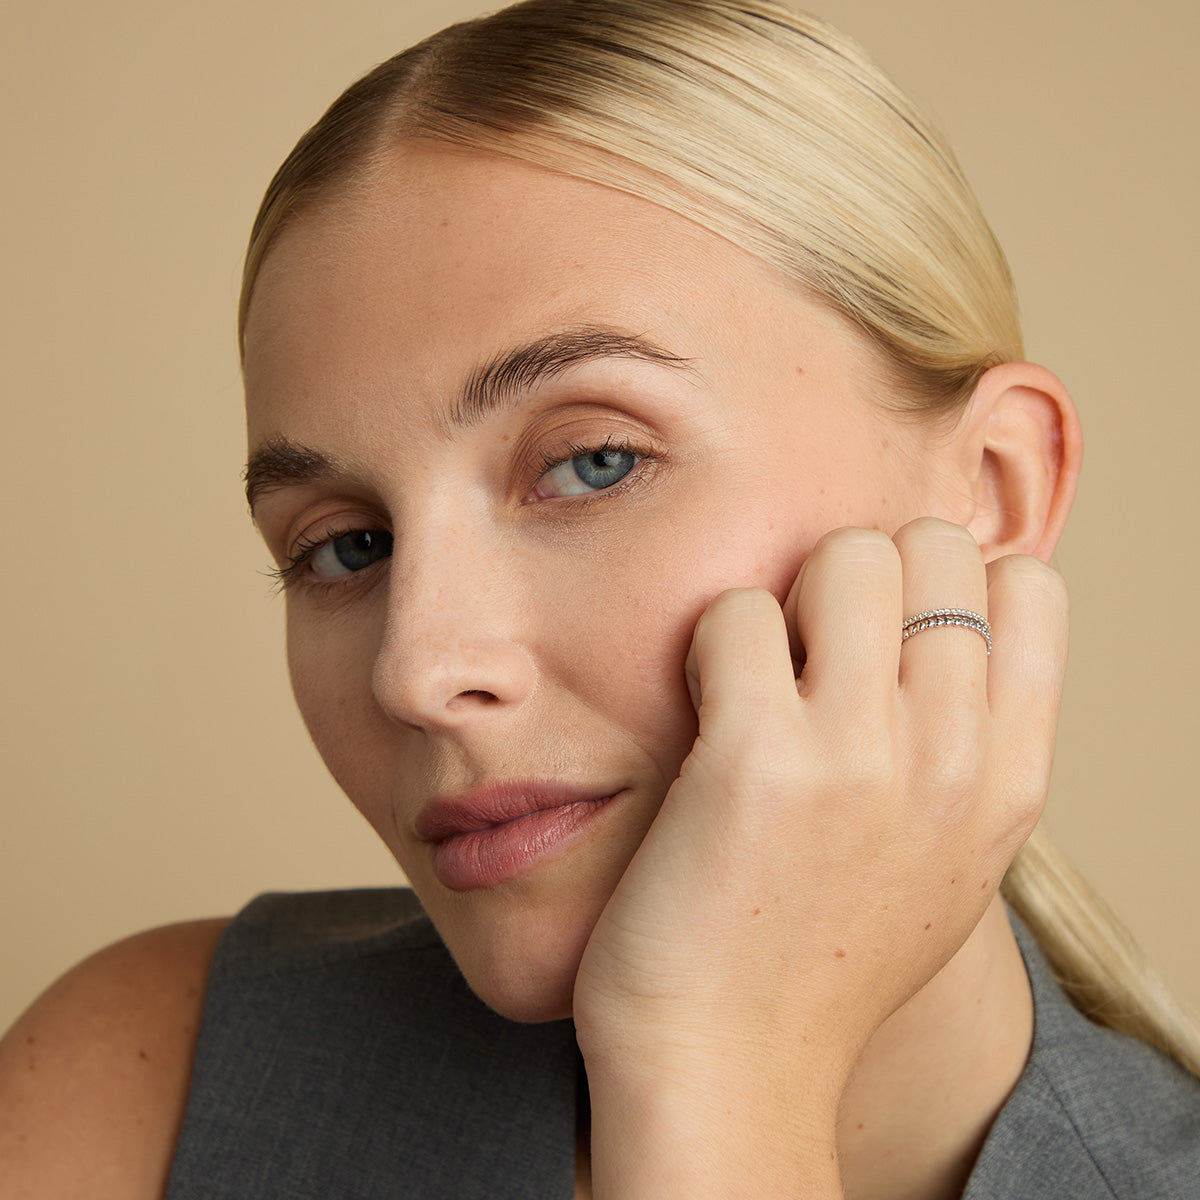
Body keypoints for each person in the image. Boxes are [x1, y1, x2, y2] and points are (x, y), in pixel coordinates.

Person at [2, 1, 1197, 1196]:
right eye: (349, 544)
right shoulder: (147, 1096)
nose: (415, 671)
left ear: (990, 490)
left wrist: (723, 1065)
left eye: (594, 463)